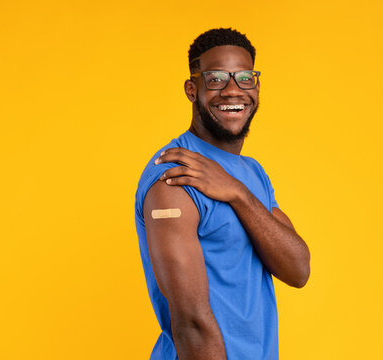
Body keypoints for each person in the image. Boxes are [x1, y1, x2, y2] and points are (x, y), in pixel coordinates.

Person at [133, 28, 310, 360]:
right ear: (192, 89)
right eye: (216, 79)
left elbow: (298, 268)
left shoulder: (251, 172)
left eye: (245, 78)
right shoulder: (175, 175)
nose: (233, 91)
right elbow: (191, 324)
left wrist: (237, 193)